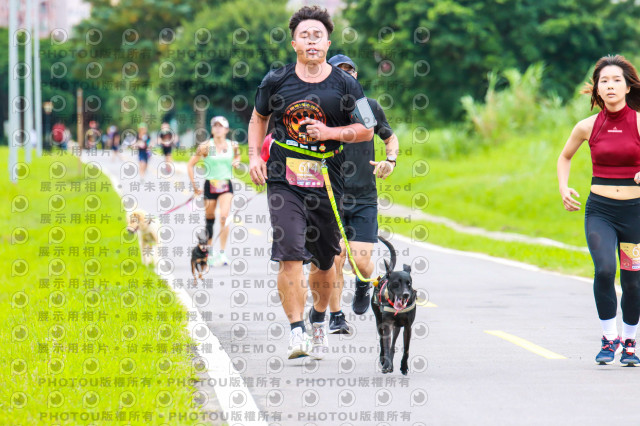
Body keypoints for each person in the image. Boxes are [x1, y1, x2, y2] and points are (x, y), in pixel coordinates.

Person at [248, 5, 375, 360]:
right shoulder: (276, 80)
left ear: (328, 42)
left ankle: (318, 319)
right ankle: (296, 331)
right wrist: (254, 156)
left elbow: (367, 128)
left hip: (327, 177)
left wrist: (330, 132)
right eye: (304, 35)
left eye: (318, 35)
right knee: (289, 252)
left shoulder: (347, 84)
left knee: (325, 260)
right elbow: (258, 117)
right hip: (283, 177)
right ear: (294, 44)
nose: (312, 41)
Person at [557, 54, 640, 366]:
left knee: (632, 281)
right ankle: (609, 337)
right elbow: (564, 157)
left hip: (635, 215)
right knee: (604, 270)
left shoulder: (639, 122)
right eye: (604, 80)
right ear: (596, 88)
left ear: (628, 86)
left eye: (617, 80)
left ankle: (629, 342)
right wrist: (564, 187)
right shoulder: (587, 126)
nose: (610, 85)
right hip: (600, 212)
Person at [326, 54, 400, 333]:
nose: (346, 76)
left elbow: (390, 138)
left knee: (360, 262)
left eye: (350, 71)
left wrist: (390, 161)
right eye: (339, 71)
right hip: (331, 197)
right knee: (335, 257)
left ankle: (362, 283)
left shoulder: (368, 108)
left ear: (356, 77)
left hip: (364, 198)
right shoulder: (321, 110)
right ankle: (336, 316)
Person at [188, 116, 241, 267]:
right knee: (210, 219)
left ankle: (222, 253)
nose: (217, 128)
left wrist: (236, 161)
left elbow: (237, 155)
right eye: (215, 126)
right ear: (212, 129)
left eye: (220, 126)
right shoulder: (205, 146)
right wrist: (194, 186)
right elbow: (190, 165)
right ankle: (209, 252)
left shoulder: (233, 145)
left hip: (226, 185)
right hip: (210, 185)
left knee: (224, 217)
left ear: (226, 129)